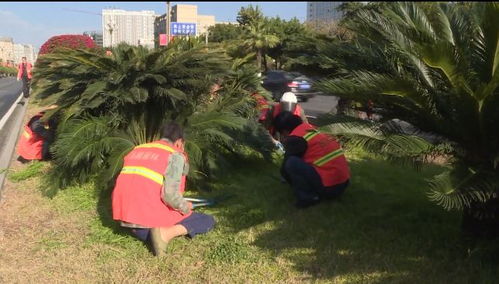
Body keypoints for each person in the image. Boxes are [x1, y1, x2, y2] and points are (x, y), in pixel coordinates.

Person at [112, 122, 216, 256]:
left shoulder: (138, 149)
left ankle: (142, 231)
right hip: (145, 223)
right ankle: (165, 234)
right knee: (206, 220)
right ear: (179, 142)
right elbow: (169, 195)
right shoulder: (174, 155)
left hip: (124, 218)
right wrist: (185, 207)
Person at [273, 111, 350, 208]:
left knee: (291, 163)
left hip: (330, 187)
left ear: (284, 131)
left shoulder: (295, 138)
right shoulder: (311, 128)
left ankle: (309, 197)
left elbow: (285, 169)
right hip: (343, 183)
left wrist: (287, 179)